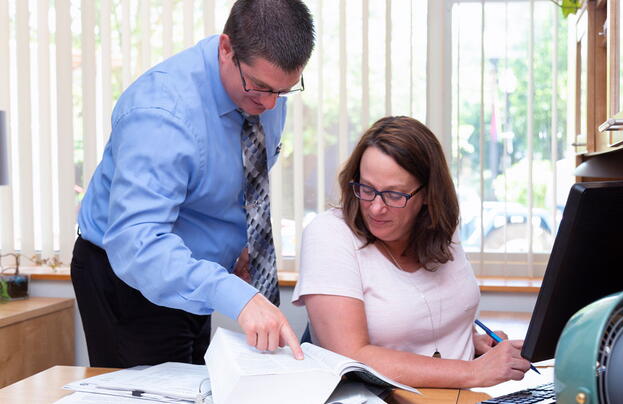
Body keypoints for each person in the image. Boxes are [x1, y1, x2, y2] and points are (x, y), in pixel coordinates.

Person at [71, 0, 314, 368]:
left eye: (283, 91)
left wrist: (240, 244)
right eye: (259, 88)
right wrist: (234, 294)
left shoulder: (264, 90)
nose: (268, 104)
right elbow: (137, 243)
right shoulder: (161, 113)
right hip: (130, 276)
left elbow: (241, 179)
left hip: (193, 271)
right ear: (226, 49)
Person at [292, 116, 531, 388]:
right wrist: (473, 371)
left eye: (394, 195)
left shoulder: (438, 227)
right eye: (367, 189)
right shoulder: (329, 234)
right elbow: (351, 356)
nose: (375, 208)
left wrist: (467, 341)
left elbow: (434, 311)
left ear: (428, 195)